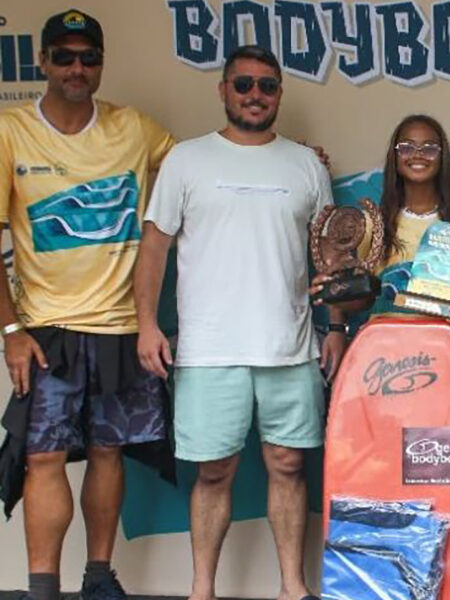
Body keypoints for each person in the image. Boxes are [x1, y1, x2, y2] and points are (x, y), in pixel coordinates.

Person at [132, 45, 341, 600]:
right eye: (243, 84)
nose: (255, 94)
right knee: (214, 472)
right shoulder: (187, 160)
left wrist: (337, 325)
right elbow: (154, 249)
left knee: (289, 466)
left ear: (279, 94)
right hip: (208, 349)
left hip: (290, 346)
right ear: (223, 91)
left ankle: (293, 589)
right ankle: (202, 590)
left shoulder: (306, 164)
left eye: (267, 86)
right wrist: (147, 326)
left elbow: (333, 255)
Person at [0, 9, 175, 600]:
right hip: (47, 329)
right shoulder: (9, 129)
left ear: (101, 64)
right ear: (43, 61)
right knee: (43, 458)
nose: (78, 67)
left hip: (122, 327)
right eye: (65, 56)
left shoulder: (137, 128)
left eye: (89, 57)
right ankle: (42, 588)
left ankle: (99, 577)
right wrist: (9, 329)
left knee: (108, 452)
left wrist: (284, 154)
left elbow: (201, 172)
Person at [330, 114, 450, 334]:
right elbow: (363, 300)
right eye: (407, 147)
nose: (418, 155)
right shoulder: (371, 223)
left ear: (442, 157)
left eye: (429, 148)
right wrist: (335, 291)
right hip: (383, 345)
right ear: (395, 156)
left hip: (445, 345)